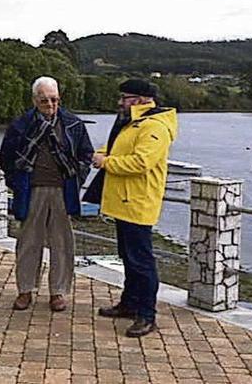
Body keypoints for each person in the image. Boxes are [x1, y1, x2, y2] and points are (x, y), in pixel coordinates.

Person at [86, 79, 178, 337]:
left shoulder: (154, 127)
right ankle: (129, 304)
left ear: (140, 100)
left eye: (124, 97)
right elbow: (115, 147)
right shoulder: (133, 123)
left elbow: (141, 162)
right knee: (129, 257)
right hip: (124, 203)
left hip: (138, 203)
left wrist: (106, 162)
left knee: (142, 262)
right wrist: (100, 155)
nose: (120, 102)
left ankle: (147, 314)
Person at [0, 77, 93, 312]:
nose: (50, 105)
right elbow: (7, 158)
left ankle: (57, 292)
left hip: (63, 191)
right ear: (34, 100)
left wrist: (77, 177)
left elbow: (86, 155)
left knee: (62, 244)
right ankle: (25, 290)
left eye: (54, 100)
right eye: (44, 101)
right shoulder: (21, 125)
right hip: (32, 190)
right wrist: (17, 184)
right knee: (28, 243)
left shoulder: (73, 124)